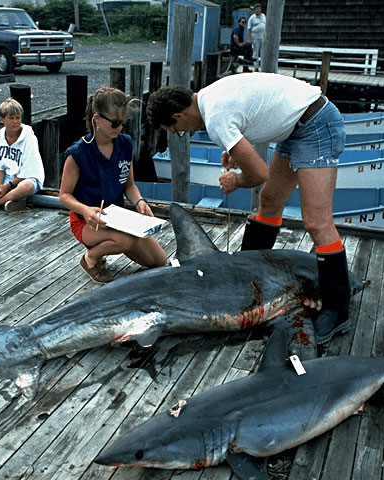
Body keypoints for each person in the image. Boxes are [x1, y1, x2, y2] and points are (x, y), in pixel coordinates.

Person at [146, 74, 350, 345]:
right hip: (296, 126)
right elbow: (253, 113)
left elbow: (258, 173)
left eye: (178, 131)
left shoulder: (215, 118)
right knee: (269, 202)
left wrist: (237, 180)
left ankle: (337, 310)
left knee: (316, 222)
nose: (184, 133)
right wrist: (235, 148)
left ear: (179, 116)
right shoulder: (208, 96)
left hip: (315, 124)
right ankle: (247, 271)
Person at [59, 86, 167, 284]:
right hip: (86, 221)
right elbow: (64, 195)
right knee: (125, 240)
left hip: (118, 217)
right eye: (115, 122)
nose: (119, 127)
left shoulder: (124, 143)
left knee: (160, 260)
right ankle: (90, 259)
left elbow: (129, 186)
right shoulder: (77, 153)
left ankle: (107, 245)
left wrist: (140, 202)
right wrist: (86, 210)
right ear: (97, 118)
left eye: (123, 122)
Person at [247, 3, 266, 67]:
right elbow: (249, 29)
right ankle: (256, 66)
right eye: (256, 9)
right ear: (254, 10)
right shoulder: (252, 18)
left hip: (263, 36)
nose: (258, 10)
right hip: (255, 37)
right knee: (256, 52)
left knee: (263, 52)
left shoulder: (263, 16)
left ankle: (263, 66)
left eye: (259, 9)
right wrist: (250, 39)